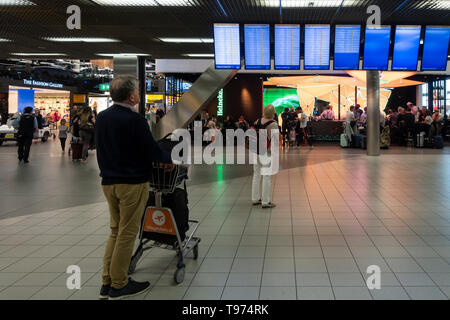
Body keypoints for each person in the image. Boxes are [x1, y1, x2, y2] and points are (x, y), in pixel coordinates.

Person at [95, 76, 172, 300]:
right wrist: (169, 158)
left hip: (109, 183)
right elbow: (151, 150)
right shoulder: (135, 120)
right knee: (127, 233)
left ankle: (107, 281)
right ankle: (119, 284)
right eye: (138, 90)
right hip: (132, 183)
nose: (139, 93)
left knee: (116, 231)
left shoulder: (101, 118)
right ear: (131, 97)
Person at [252, 104, 278, 209]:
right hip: (266, 152)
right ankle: (266, 202)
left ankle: (255, 198)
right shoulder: (273, 124)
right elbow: (275, 141)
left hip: (255, 151)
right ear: (273, 113)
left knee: (256, 175)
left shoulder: (256, 121)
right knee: (266, 176)